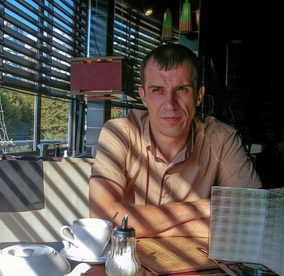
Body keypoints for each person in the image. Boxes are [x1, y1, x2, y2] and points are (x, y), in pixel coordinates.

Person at [89, 44, 262, 238]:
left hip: (201, 264)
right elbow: (102, 219)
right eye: (157, 90)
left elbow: (252, 216)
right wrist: (196, 210)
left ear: (199, 95)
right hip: (130, 262)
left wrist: (146, 228)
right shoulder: (120, 133)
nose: (170, 104)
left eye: (182, 89)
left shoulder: (222, 139)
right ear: (143, 96)